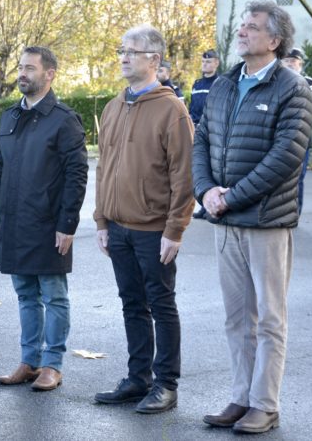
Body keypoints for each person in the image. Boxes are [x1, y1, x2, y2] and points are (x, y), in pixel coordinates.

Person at [192, 0, 312, 434]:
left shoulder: (292, 88)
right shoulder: (224, 85)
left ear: (275, 40)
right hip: (225, 222)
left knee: (269, 318)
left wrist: (231, 197)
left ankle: (265, 403)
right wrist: (205, 191)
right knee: (237, 317)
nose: (241, 32)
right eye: (241, 26)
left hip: (266, 222)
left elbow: (286, 157)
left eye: (252, 27)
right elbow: (201, 141)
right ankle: (240, 398)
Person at [93, 25, 194, 414]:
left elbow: (183, 175)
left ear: (153, 60)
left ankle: (166, 384)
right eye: (121, 50)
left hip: (154, 231)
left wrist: (175, 229)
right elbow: (104, 168)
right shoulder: (114, 106)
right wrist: (102, 221)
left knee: (161, 304)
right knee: (131, 304)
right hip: (118, 228)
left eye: (131, 51)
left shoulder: (172, 109)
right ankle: (139, 379)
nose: (123, 57)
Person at [0, 46, 88, 391]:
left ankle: (52, 364)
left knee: (54, 295)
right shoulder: (9, 117)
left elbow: (77, 175)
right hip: (14, 222)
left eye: (29, 68)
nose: (22, 74)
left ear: (49, 74)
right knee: (25, 294)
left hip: (48, 224)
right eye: (20, 67)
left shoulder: (64, 119)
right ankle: (29, 361)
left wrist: (67, 225)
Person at [282, 47, 312, 215]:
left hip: (300, 137)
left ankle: (294, 212)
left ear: (300, 64)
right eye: (287, 60)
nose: (290, 64)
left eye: (293, 61)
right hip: (278, 137)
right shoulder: (274, 82)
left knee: (297, 178)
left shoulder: (311, 84)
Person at [190, 49, 220, 219]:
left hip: (213, 129)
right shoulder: (197, 84)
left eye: (208, 62)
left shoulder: (220, 82)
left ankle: (212, 205)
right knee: (201, 167)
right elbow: (193, 107)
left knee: (213, 168)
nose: (205, 65)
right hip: (197, 128)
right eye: (203, 62)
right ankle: (203, 204)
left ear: (216, 63)